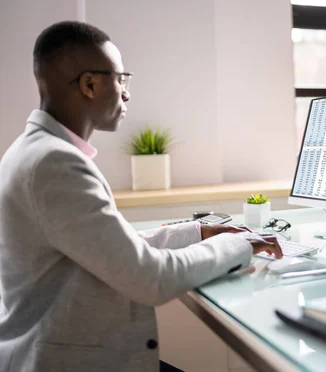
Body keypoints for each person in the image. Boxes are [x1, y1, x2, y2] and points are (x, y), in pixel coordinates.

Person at [0, 21, 282, 372]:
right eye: (121, 79)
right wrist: (238, 247)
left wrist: (197, 233)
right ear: (89, 84)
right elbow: (151, 278)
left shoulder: (35, 151)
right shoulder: (54, 164)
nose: (126, 93)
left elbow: (110, 246)